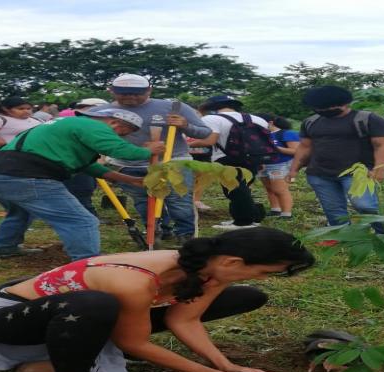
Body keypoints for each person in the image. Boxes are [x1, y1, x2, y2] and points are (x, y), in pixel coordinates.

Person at [0, 227, 315, 372]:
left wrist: (226, 365)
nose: (267, 277)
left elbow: (184, 318)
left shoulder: (212, 272)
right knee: (95, 303)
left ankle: (61, 359)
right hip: (5, 320)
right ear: (234, 261)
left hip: (77, 320)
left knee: (246, 296)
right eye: (266, 271)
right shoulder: (133, 279)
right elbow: (134, 342)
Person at [0, 107, 164, 259]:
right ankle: (87, 261)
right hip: (27, 177)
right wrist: (149, 150)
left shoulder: (64, 125)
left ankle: (3, 247)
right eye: (125, 132)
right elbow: (122, 151)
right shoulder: (93, 126)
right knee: (81, 220)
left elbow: (87, 167)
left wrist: (131, 180)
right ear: (115, 123)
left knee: (21, 211)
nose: (121, 136)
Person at [104, 73, 211, 244]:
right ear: (112, 91)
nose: (131, 97)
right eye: (124, 93)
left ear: (149, 90)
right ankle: (158, 229)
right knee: (143, 200)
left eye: (137, 93)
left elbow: (205, 133)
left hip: (172, 161)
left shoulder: (175, 108)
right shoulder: (102, 112)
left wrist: (185, 125)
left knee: (179, 200)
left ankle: (186, 235)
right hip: (128, 164)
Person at [287, 85, 384, 233]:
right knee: (333, 209)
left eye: (329, 107)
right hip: (319, 173)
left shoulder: (368, 119)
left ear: (345, 103)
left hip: (358, 174)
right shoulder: (311, 122)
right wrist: (294, 169)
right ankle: (341, 236)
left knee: (365, 206)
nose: (325, 110)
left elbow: (382, 145)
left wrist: (379, 169)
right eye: (320, 107)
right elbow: (305, 147)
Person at [189, 95, 270, 230]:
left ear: (212, 107)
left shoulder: (212, 118)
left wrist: (186, 144)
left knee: (234, 190)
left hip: (227, 157)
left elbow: (210, 141)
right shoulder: (257, 119)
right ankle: (244, 217)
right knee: (243, 188)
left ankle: (244, 222)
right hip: (254, 157)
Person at [60, 98, 109, 215]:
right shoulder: (75, 125)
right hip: (74, 165)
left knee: (85, 191)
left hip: (85, 165)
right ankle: (88, 218)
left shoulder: (92, 124)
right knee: (81, 192)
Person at [257, 113, 299, 219]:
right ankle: (275, 209)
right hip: (263, 164)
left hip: (280, 164)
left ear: (270, 123)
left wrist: (275, 148)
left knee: (280, 189)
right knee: (269, 188)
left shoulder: (287, 133)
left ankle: (286, 214)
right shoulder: (260, 134)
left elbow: (296, 151)